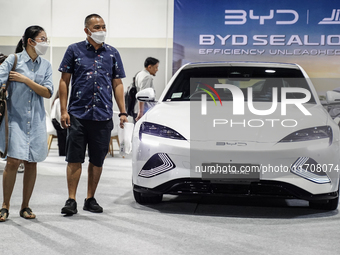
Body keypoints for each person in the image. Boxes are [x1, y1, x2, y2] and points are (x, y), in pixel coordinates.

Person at [59, 14, 128, 216]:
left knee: (97, 160)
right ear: (87, 30)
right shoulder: (74, 50)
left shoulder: (112, 53)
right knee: (74, 159)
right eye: (97, 27)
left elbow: (118, 83)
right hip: (78, 114)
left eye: (104, 27)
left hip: (103, 115)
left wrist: (123, 111)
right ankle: (71, 199)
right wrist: (63, 110)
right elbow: (64, 81)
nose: (101, 30)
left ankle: (90, 198)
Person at [0, 26, 53, 222]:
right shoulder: (12, 60)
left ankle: (25, 206)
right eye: (42, 39)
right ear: (31, 41)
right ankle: (5, 205)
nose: (45, 42)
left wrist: (24, 79)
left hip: (37, 120)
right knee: (13, 162)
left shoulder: (45, 65)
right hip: (15, 119)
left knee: (31, 163)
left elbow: (47, 92)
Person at [135, 57, 159, 122]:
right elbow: (142, 96)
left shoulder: (139, 74)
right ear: (149, 67)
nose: (157, 70)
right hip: (145, 111)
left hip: (138, 109)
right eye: (156, 67)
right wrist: (141, 112)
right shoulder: (147, 77)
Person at [51, 90, 67, 156]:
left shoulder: (56, 100)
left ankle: (62, 152)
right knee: (63, 136)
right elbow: (59, 112)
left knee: (61, 137)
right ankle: (63, 152)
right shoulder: (59, 101)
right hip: (57, 120)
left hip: (54, 120)